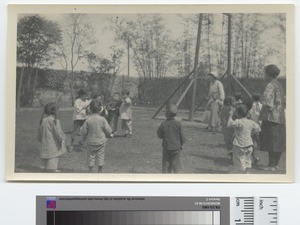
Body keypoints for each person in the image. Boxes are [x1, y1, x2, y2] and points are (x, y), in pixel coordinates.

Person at [259, 64, 286, 171]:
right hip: (280, 116)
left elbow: (267, 101)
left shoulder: (270, 85)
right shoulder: (280, 85)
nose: (264, 75)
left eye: (265, 73)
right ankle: (276, 164)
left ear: (268, 74)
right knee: (279, 141)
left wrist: (265, 105)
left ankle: (271, 165)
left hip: (271, 116)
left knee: (271, 140)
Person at [80, 99, 112, 173]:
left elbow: (83, 132)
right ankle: (100, 171)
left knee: (91, 156)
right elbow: (109, 130)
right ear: (100, 109)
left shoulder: (88, 120)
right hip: (101, 141)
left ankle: (90, 171)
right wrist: (109, 133)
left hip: (91, 141)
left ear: (90, 109)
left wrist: (82, 132)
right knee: (100, 156)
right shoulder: (102, 119)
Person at [227, 104, 261, 173]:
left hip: (239, 146)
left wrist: (230, 115)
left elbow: (229, 124)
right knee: (247, 162)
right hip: (249, 146)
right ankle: (246, 175)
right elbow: (258, 129)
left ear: (238, 113)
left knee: (239, 163)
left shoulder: (238, 121)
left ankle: (239, 173)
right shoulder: (251, 122)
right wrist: (250, 133)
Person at [37, 102, 66, 172]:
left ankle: (47, 170)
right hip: (53, 147)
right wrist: (62, 139)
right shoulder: (54, 121)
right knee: (52, 162)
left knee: (45, 164)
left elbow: (39, 135)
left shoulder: (43, 121)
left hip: (44, 146)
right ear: (55, 111)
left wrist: (41, 140)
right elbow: (58, 133)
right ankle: (53, 171)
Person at [157, 104, 186, 173]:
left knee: (166, 164)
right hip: (176, 148)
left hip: (166, 147)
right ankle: (176, 178)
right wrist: (180, 144)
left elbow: (159, 135)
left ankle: (166, 179)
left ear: (167, 114)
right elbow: (182, 137)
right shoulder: (178, 124)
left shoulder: (163, 124)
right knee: (176, 163)